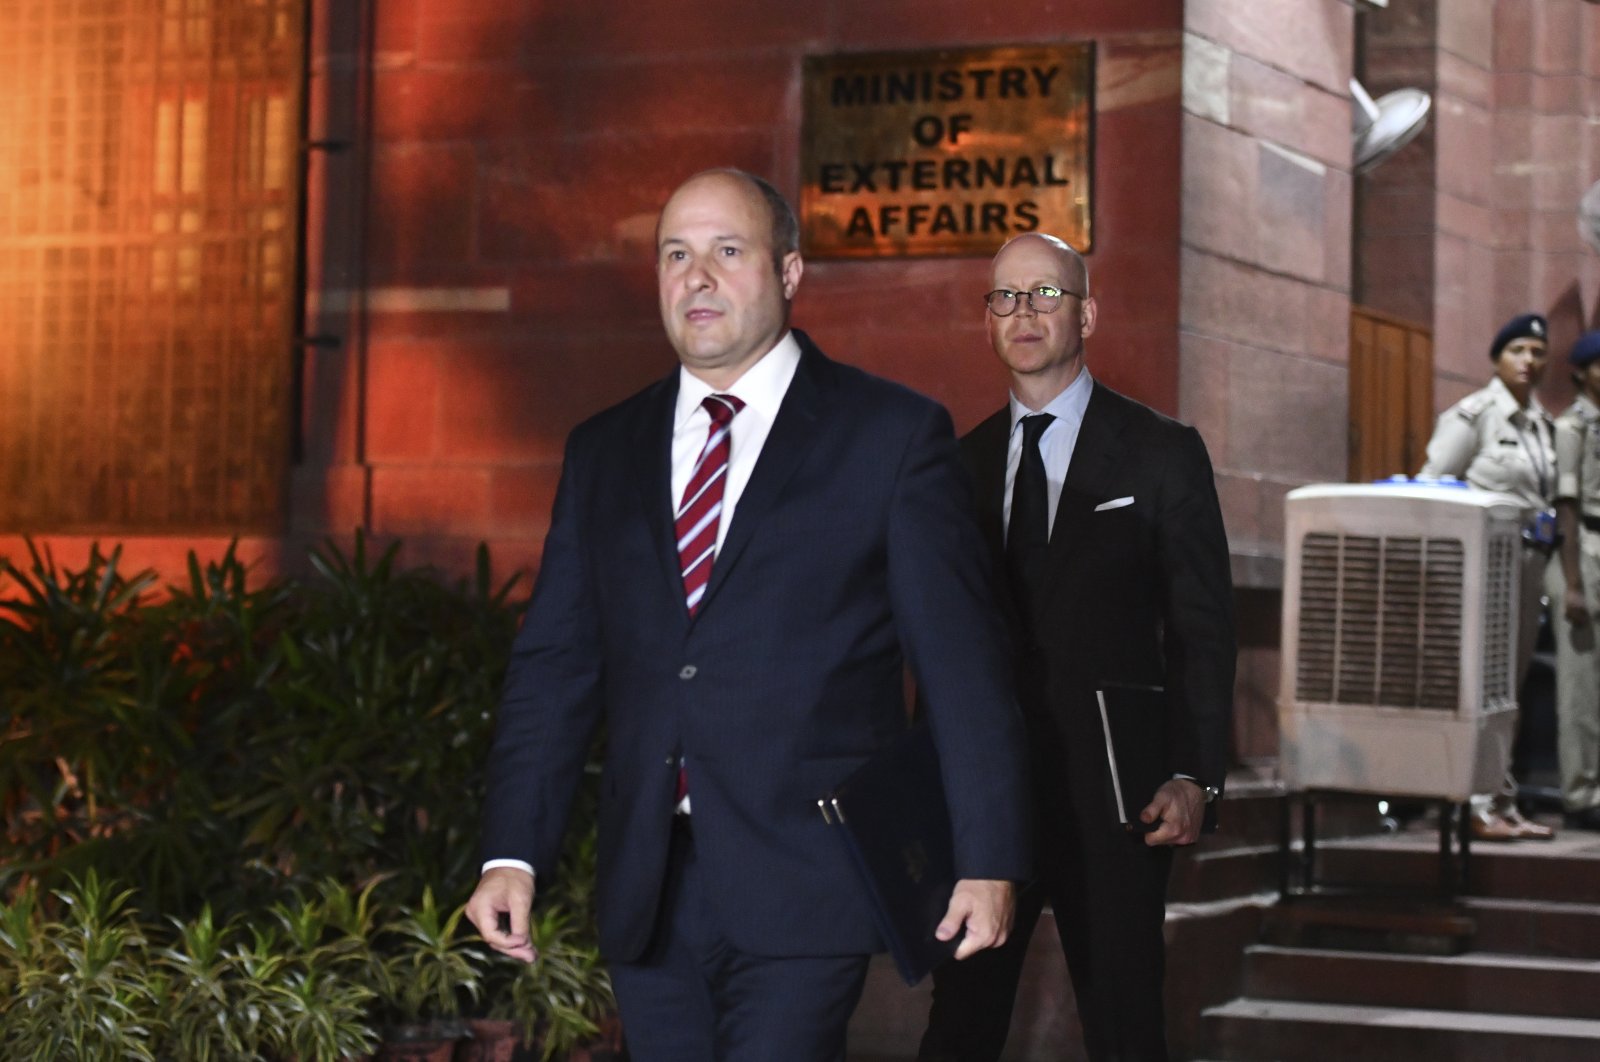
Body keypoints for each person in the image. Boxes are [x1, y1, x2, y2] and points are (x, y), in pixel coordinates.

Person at [463, 168, 1033, 1062]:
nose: (698, 277)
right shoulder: (604, 449)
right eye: (676, 255)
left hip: (811, 878)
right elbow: (556, 668)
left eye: (728, 252)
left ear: (791, 272)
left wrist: (989, 857)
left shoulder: (890, 436)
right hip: (649, 888)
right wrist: (514, 854)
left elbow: (963, 671)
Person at [917, 233, 1236, 1062]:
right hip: (988, 805)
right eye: (1005, 298)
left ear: (1086, 312)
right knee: (958, 1027)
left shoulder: (1163, 452)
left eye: (1045, 294)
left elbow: (1203, 629)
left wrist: (1195, 773)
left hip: (1119, 799)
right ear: (987, 321)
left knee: (1126, 1025)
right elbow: (938, 642)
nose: (1024, 313)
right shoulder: (958, 466)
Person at [1418, 312, 1559, 842]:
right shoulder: (1474, 415)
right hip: (1485, 565)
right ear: (1497, 358)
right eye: (1518, 350)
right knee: (1484, 681)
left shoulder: (1541, 424)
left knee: (1512, 687)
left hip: (1529, 563)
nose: (1528, 361)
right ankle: (1475, 801)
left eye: (1538, 353)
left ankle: (1502, 798)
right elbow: (1435, 485)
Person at [1552, 330, 1600, 830]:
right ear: (1583, 372)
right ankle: (1581, 792)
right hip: (1582, 550)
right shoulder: (1573, 427)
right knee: (1581, 684)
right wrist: (1571, 583)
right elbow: (1566, 506)